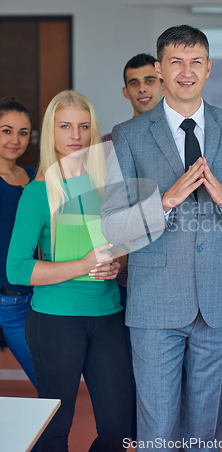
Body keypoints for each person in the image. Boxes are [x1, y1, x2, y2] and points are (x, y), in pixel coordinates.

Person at [101, 25, 222, 451]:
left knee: (204, 430)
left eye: (195, 61)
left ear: (209, 68)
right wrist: (164, 201)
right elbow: (111, 226)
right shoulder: (127, 135)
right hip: (154, 302)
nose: (186, 71)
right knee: (157, 430)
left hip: (219, 300)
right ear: (159, 69)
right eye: (176, 62)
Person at [7, 90, 132, 452]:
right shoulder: (38, 192)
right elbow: (16, 269)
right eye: (65, 126)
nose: (75, 135)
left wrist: (115, 264)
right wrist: (83, 265)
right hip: (55, 320)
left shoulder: (105, 186)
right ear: (51, 133)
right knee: (56, 427)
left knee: (119, 428)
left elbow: (118, 248)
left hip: (107, 315)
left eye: (83, 126)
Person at [102, 53, 164, 441]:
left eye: (149, 80)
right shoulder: (111, 142)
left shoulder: (187, 137)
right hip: (125, 280)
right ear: (125, 91)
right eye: (134, 83)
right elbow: (105, 212)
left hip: (170, 276)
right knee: (134, 381)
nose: (142, 88)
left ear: (162, 83)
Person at [0, 96, 37, 388]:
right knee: (49, 382)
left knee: (53, 383)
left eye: (23, 132)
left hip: (40, 297)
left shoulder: (35, 177)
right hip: (8, 300)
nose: (16, 139)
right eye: (6, 130)